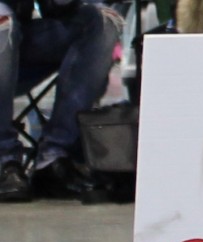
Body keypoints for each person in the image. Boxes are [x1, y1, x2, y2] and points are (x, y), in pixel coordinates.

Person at [0, 0, 121, 202]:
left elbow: (55, 9)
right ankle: (4, 161)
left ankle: (54, 157)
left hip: (18, 46)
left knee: (102, 20)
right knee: (2, 17)